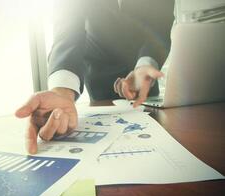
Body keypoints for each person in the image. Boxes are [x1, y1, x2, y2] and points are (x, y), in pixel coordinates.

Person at [16, 0, 174, 154]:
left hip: (145, 81)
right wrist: (62, 91)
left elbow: (160, 25)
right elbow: (67, 31)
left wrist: (145, 63)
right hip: (100, 80)